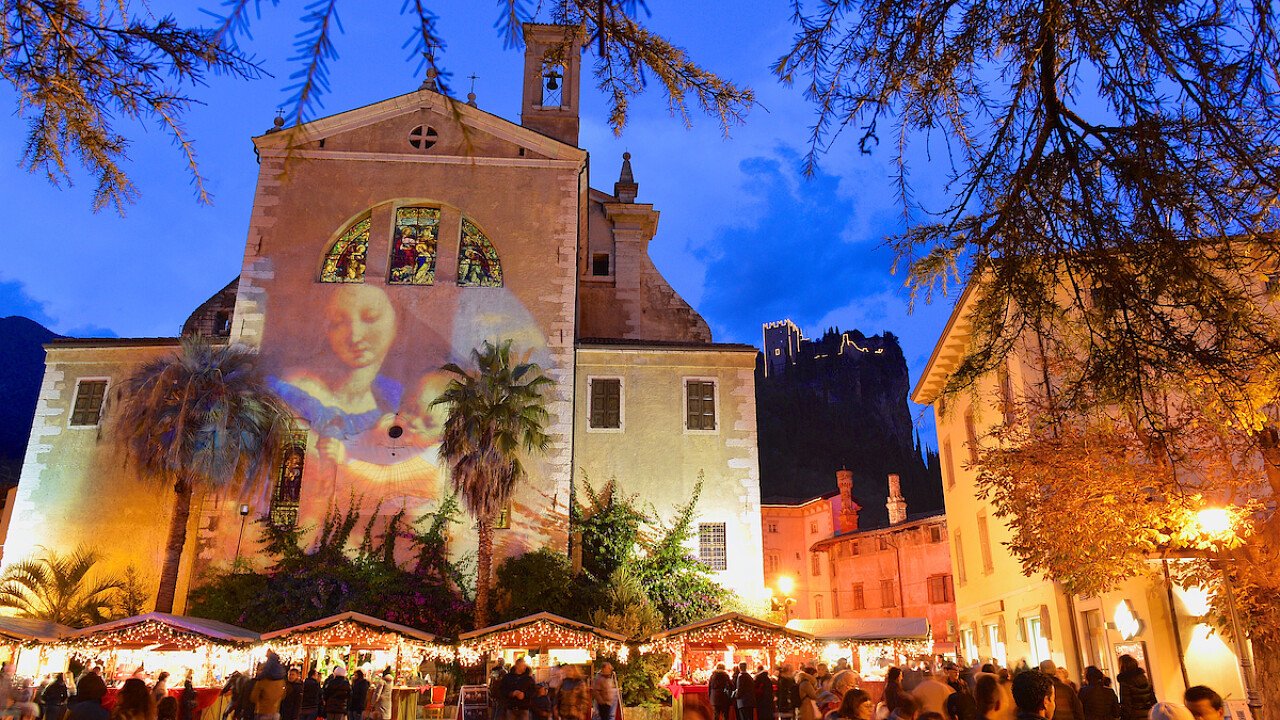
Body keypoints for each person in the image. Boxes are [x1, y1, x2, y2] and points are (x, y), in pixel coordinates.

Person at [253, 653, 289, 720]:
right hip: (276, 712)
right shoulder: (282, 681)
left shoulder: (262, 681)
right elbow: (283, 695)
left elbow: (253, 697)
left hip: (263, 711)